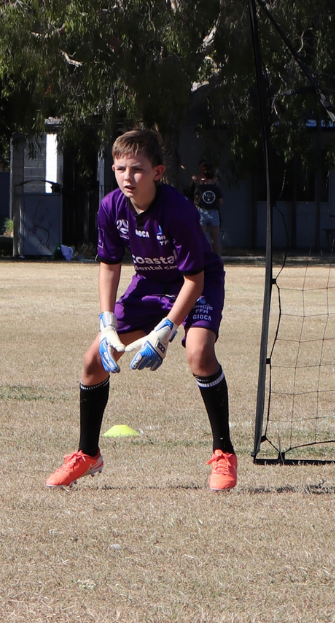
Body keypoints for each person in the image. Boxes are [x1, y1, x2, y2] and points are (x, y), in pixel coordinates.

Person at [46, 129, 236, 492]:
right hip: (149, 284)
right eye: (119, 169)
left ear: (158, 172)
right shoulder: (110, 207)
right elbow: (110, 265)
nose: (126, 178)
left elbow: (194, 280)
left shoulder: (178, 210)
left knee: (198, 354)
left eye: (136, 169)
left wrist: (165, 332)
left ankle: (224, 454)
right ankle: (88, 454)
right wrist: (106, 323)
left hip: (196, 282)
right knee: (93, 362)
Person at [192, 158, 223, 255]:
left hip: (202, 212)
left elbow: (195, 200)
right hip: (214, 212)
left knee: (202, 237)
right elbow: (221, 202)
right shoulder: (216, 188)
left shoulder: (200, 188)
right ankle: (218, 259)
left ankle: (203, 257)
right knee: (216, 238)